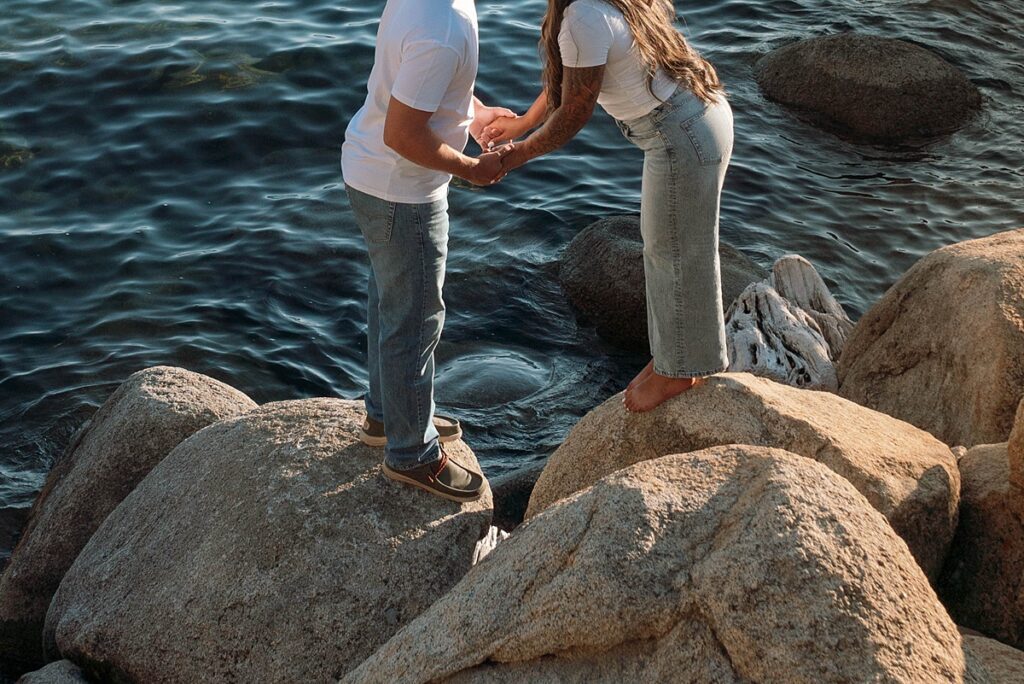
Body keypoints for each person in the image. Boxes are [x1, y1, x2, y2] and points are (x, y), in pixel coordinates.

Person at [482, 0, 733, 413]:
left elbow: (574, 113)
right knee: (671, 248)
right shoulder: (597, 7)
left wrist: (514, 155)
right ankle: (676, 359)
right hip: (695, 119)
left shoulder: (583, 16)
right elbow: (574, 78)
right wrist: (524, 122)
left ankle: (681, 371)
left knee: (674, 252)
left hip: (679, 133)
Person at [342, 0, 514, 502]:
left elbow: (423, 86)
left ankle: (387, 414)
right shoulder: (443, 26)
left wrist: (475, 111)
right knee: (416, 317)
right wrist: (472, 168)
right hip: (403, 193)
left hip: (370, 171)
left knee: (389, 301)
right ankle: (411, 452)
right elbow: (403, 133)